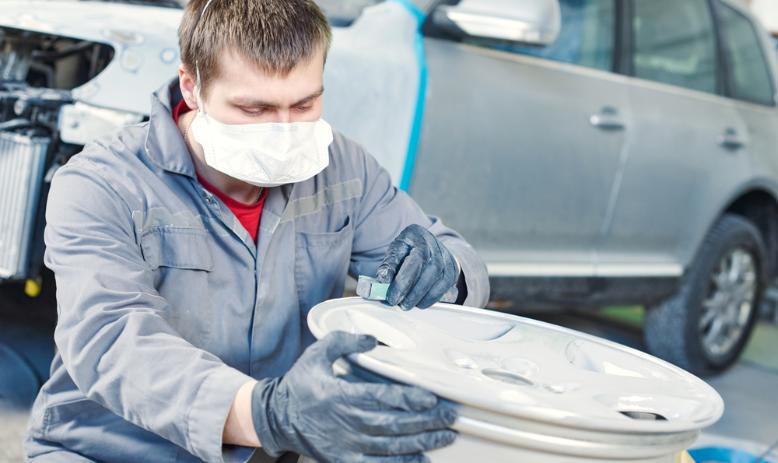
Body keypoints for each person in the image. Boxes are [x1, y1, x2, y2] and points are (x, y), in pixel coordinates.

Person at [24, 0, 489, 462]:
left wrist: (446, 271)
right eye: (254, 109)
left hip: (272, 452)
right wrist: (267, 414)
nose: (284, 132)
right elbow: (110, 341)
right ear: (193, 86)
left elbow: (457, 261)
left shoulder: (345, 170)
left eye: (304, 103)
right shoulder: (101, 183)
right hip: (110, 453)